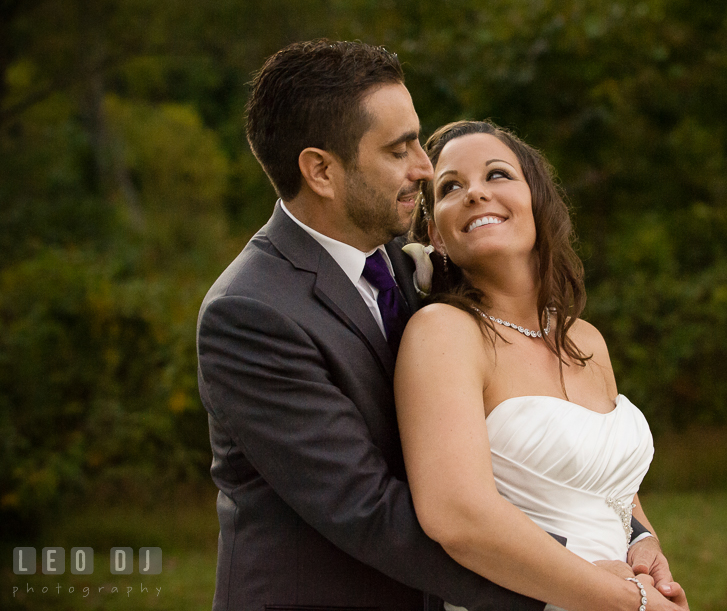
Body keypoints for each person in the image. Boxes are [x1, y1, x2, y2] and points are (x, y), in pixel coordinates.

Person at [196, 40, 552, 610]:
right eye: (398, 149)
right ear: (320, 171)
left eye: (418, 139)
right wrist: (560, 585)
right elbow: (365, 509)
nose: (426, 168)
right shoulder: (250, 313)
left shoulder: (398, 254)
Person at [395, 121, 690, 611]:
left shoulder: (585, 338)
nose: (475, 194)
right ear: (436, 236)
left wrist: (644, 546)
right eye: (450, 187)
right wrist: (626, 600)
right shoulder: (443, 333)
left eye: (497, 175)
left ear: (538, 203)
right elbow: (457, 517)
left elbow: (611, 488)